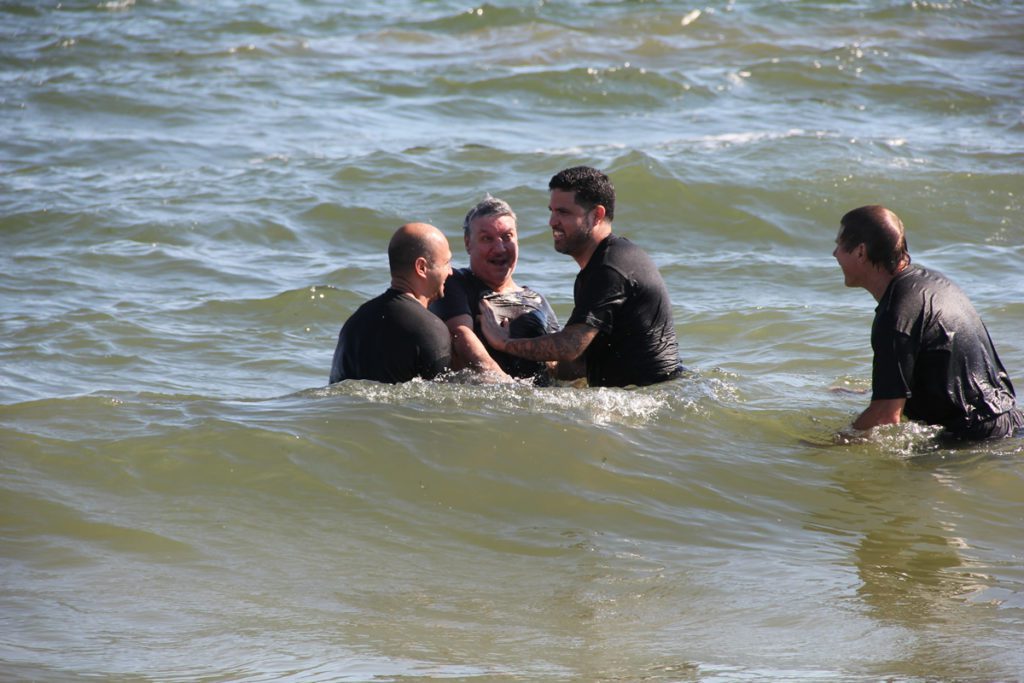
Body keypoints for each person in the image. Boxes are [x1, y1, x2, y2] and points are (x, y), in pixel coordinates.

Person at [479, 166, 682, 388]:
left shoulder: (609, 268)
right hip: (647, 395)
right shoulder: (604, 264)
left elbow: (570, 346)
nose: (552, 222)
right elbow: (583, 361)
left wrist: (505, 343)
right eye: (552, 211)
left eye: (563, 212)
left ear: (597, 215)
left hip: (650, 397)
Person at [832, 205, 1023, 440]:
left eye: (839, 245)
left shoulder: (895, 315)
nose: (835, 254)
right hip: (1009, 422)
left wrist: (825, 446)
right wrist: (872, 394)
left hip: (974, 440)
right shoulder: (932, 283)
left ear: (860, 252)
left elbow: (885, 417)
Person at [429, 196, 559, 383]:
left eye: (507, 237)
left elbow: (558, 363)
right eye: (487, 238)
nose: (499, 248)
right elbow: (460, 335)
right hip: (494, 400)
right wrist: (506, 385)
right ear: (468, 243)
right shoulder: (455, 282)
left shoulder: (537, 300)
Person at [329, 222, 453, 384]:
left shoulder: (354, 323)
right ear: (421, 267)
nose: (450, 271)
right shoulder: (430, 330)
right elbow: (444, 403)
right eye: (446, 263)